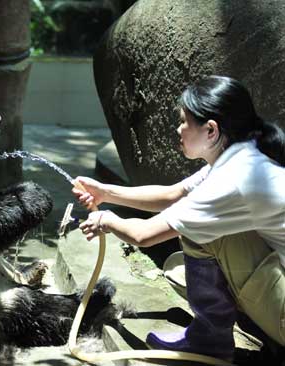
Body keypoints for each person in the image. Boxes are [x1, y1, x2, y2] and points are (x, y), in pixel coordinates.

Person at [72, 75, 285, 361]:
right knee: (193, 245)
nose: (178, 129)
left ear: (211, 130)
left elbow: (144, 236)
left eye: (184, 121)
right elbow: (173, 195)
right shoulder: (245, 152)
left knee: (195, 232)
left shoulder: (232, 180)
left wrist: (107, 220)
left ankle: (208, 339)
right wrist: (105, 192)